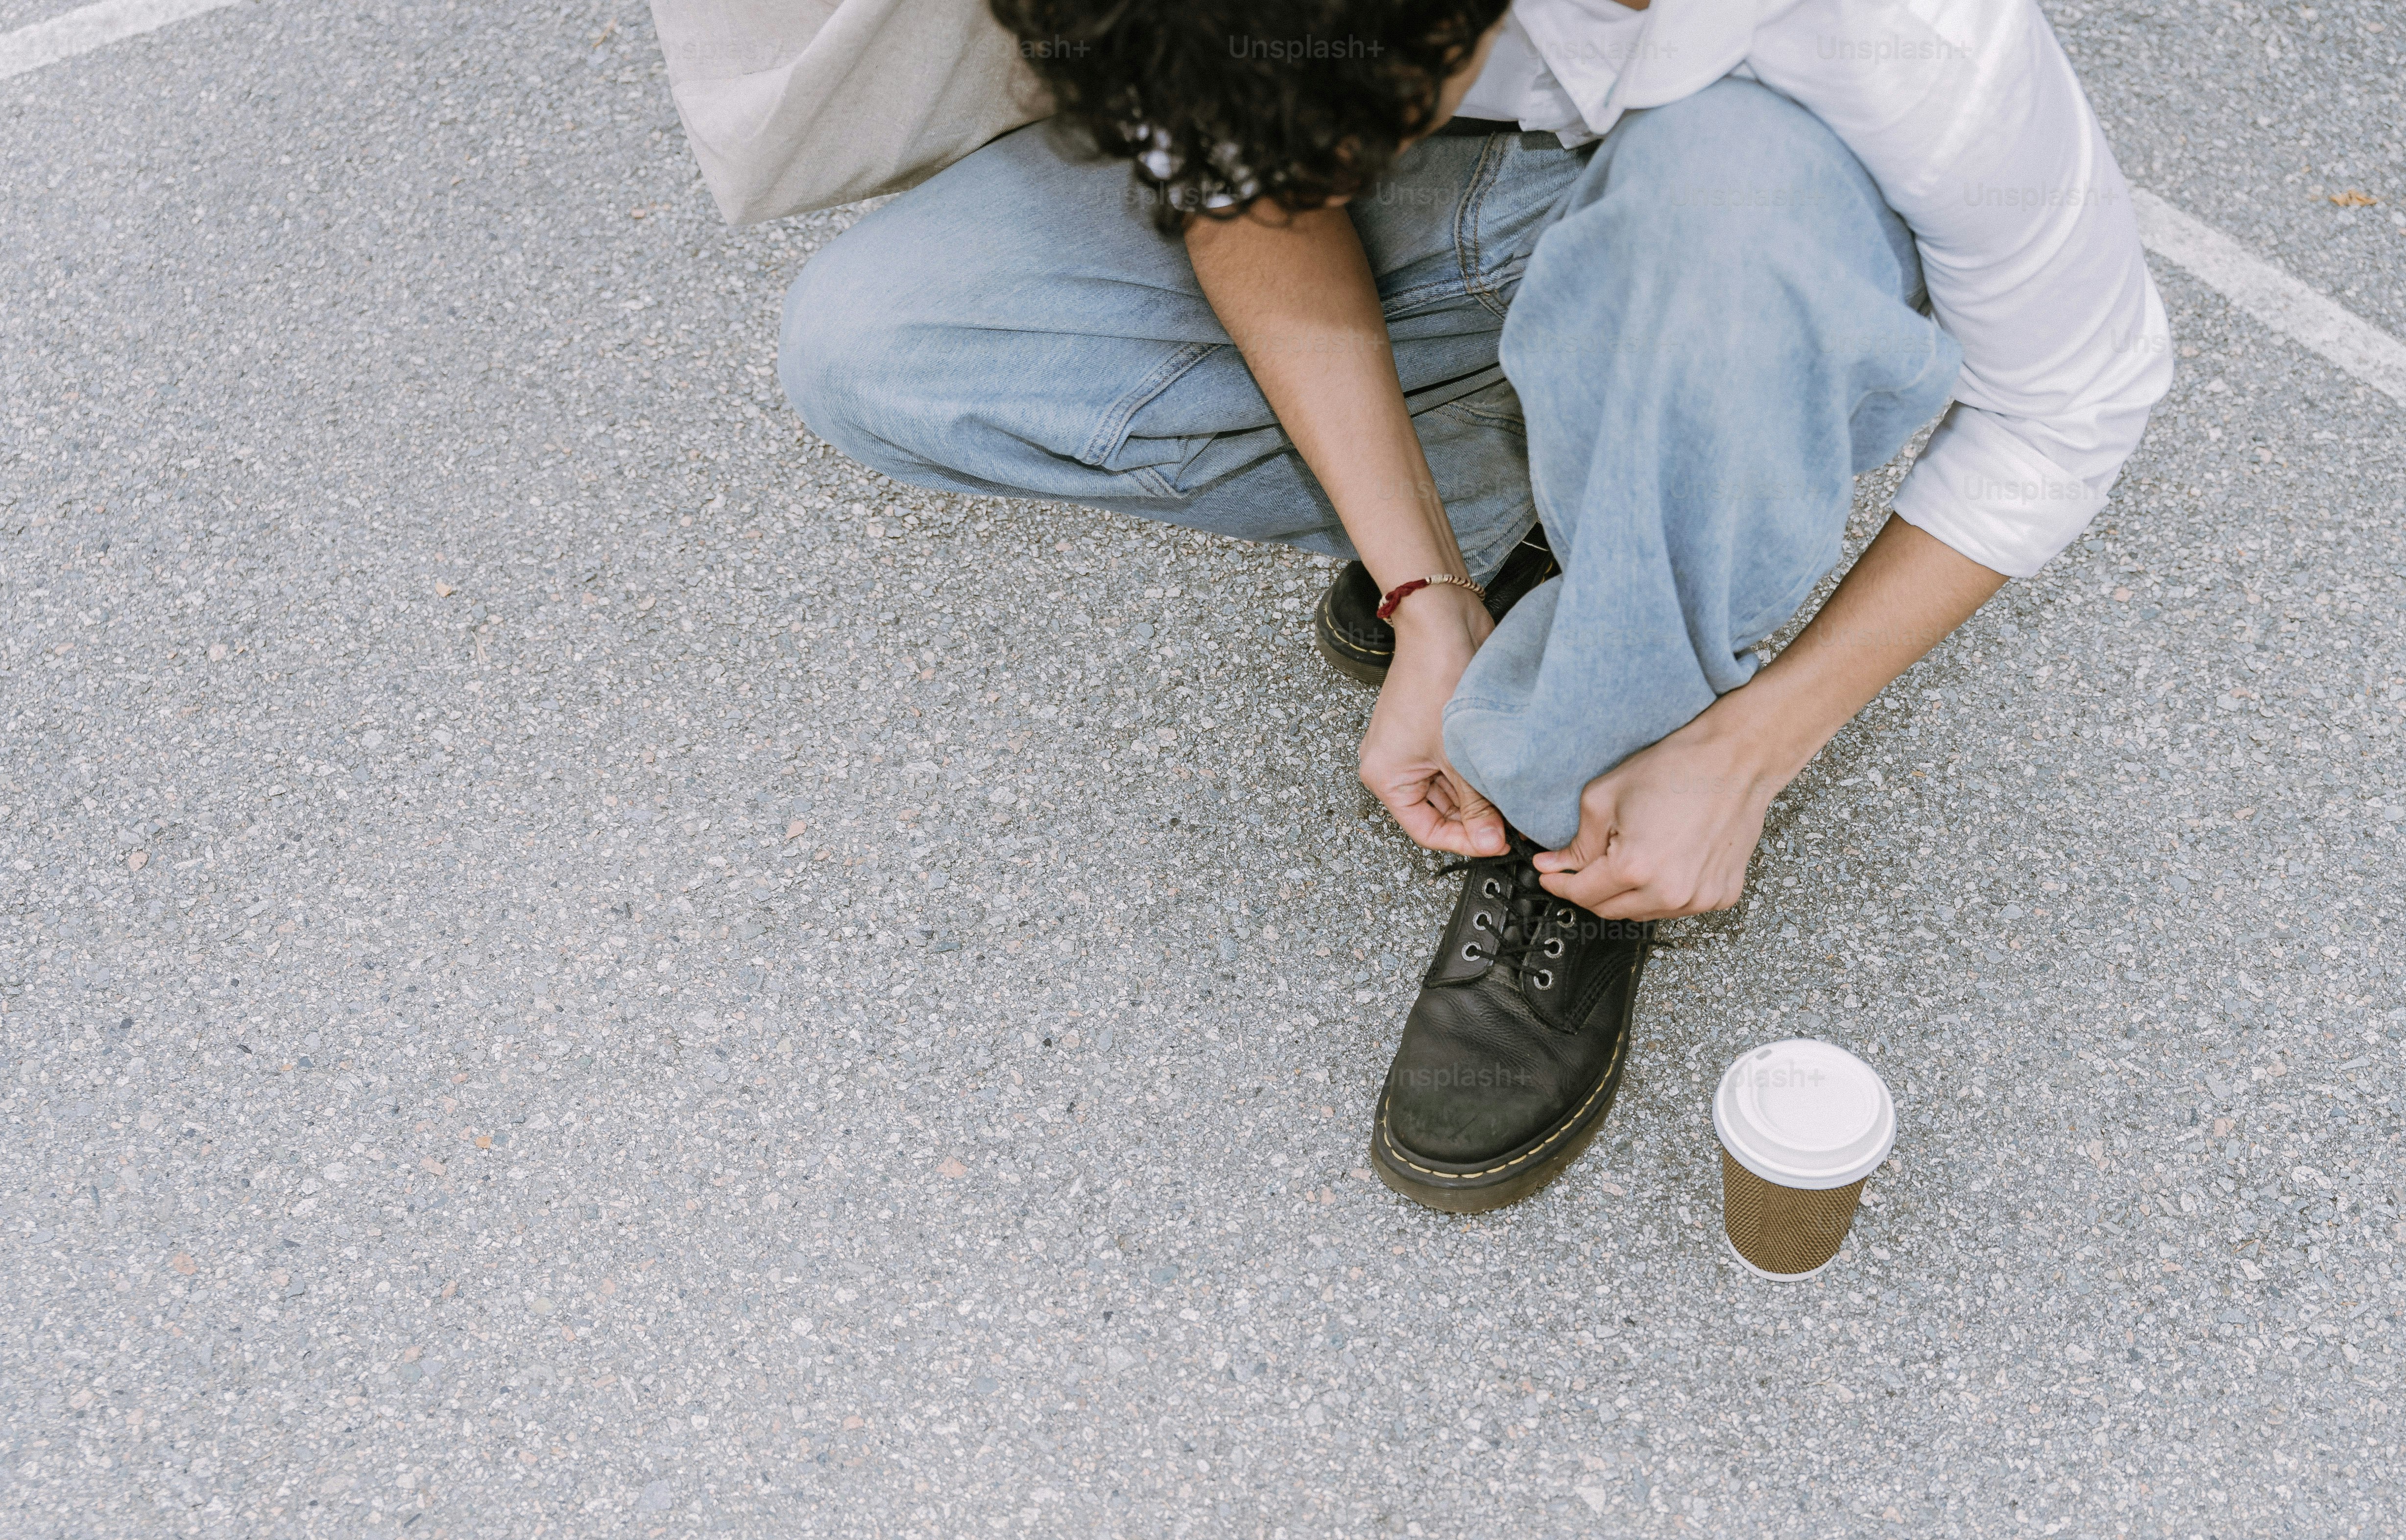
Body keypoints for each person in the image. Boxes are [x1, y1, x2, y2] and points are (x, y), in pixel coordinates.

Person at [776, 0, 2170, 1211]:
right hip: (1491, 164)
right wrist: (1423, 590)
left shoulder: (1898, 30)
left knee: (1727, 212)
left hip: (1754, 214)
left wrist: (1752, 746)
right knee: (884, 341)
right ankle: (1527, 519)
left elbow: (2072, 406)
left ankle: (1587, 792)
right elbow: (1240, 190)